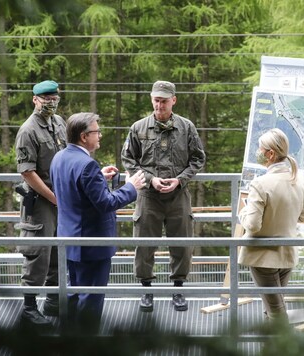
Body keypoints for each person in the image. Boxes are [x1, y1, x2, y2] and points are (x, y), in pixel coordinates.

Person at [51, 112, 145, 333]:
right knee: (91, 300)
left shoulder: (60, 157)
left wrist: (99, 178)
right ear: (84, 136)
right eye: (96, 131)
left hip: (69, 241)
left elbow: (74, 190)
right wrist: (131, 187)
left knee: (73, 295)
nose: (100, 135)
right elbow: (105, 203)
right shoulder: (87, 165)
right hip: (92, 245)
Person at [121, 80, 206, 312]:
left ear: (173, 101)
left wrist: (181, 179)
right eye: (156, 100)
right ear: (151, 99)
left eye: (164, 101)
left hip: (178, 195)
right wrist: (150, 180)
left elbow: (198, 158)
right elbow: (128, 160)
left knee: (181, 242)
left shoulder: (186, 127)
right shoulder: (138, 128)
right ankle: (146, 290)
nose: (159, 105)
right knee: (145, 243)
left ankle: (178, 289)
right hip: (149, 196)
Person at [238, 129, 304, 322]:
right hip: (287, 253)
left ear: (270, 154)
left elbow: (252, 225)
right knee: (274, 308)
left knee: (276, 312)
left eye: (260, 149)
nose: (258, 152)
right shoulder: (300, 181)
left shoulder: (260, 184)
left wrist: (243, 212)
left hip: (263, 257)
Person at [14, 80, 67, 327]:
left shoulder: (59, 123)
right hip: (40, 201)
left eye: (54, 97)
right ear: (34, 99)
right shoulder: (28, 130)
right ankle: (28, 307)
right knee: (39, 253)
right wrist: (52, 197)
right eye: (45, 98)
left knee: (58, 250)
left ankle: (53, 302)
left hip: (60, 198)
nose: (50, 101)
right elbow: (28, 172)